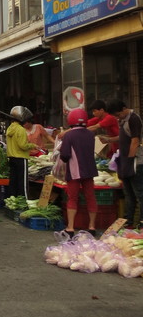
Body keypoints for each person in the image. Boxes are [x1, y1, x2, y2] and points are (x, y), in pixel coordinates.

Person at [103, 99, 143, 230]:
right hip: (125, 160)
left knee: (139, 193)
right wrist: (109, 139)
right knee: (128, 194)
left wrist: (130, 160)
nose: (117, 117)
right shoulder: (122, 120)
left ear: (124, 108)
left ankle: (141, 222)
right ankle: (128, 221)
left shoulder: (133, 119)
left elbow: (135, 141)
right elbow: (124, 137)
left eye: (118, 114)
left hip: (136, 161)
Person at [58, 108, 98, 235]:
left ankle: (70, 228)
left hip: (74, 171)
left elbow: (64, 155)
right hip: (90, 170)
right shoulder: (91, 134)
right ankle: (92, 227)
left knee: (72, 198)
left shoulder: (69, 135)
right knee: (90, 197)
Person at [5, 105, 40, 200]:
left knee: (13, 181)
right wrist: (32, 145)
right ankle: (24, 200)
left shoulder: (9, 128)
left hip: (12, 158)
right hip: (21, 159)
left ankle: (12, 199)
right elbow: (23, 145)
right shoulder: (21, 129)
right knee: (23, 182)